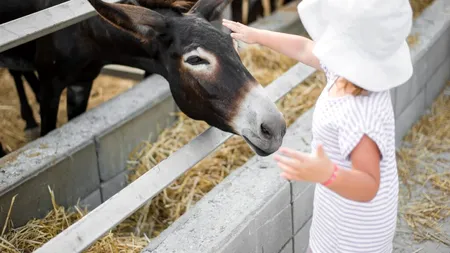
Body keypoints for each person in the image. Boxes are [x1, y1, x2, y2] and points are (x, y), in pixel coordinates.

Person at [222, 0, 413, 252]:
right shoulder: (347, 72)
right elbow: (304, 47)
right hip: (338, 209)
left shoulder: (361, 111)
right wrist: (257, 36)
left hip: (356, 237)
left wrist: (327, 174)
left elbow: (368, 185)